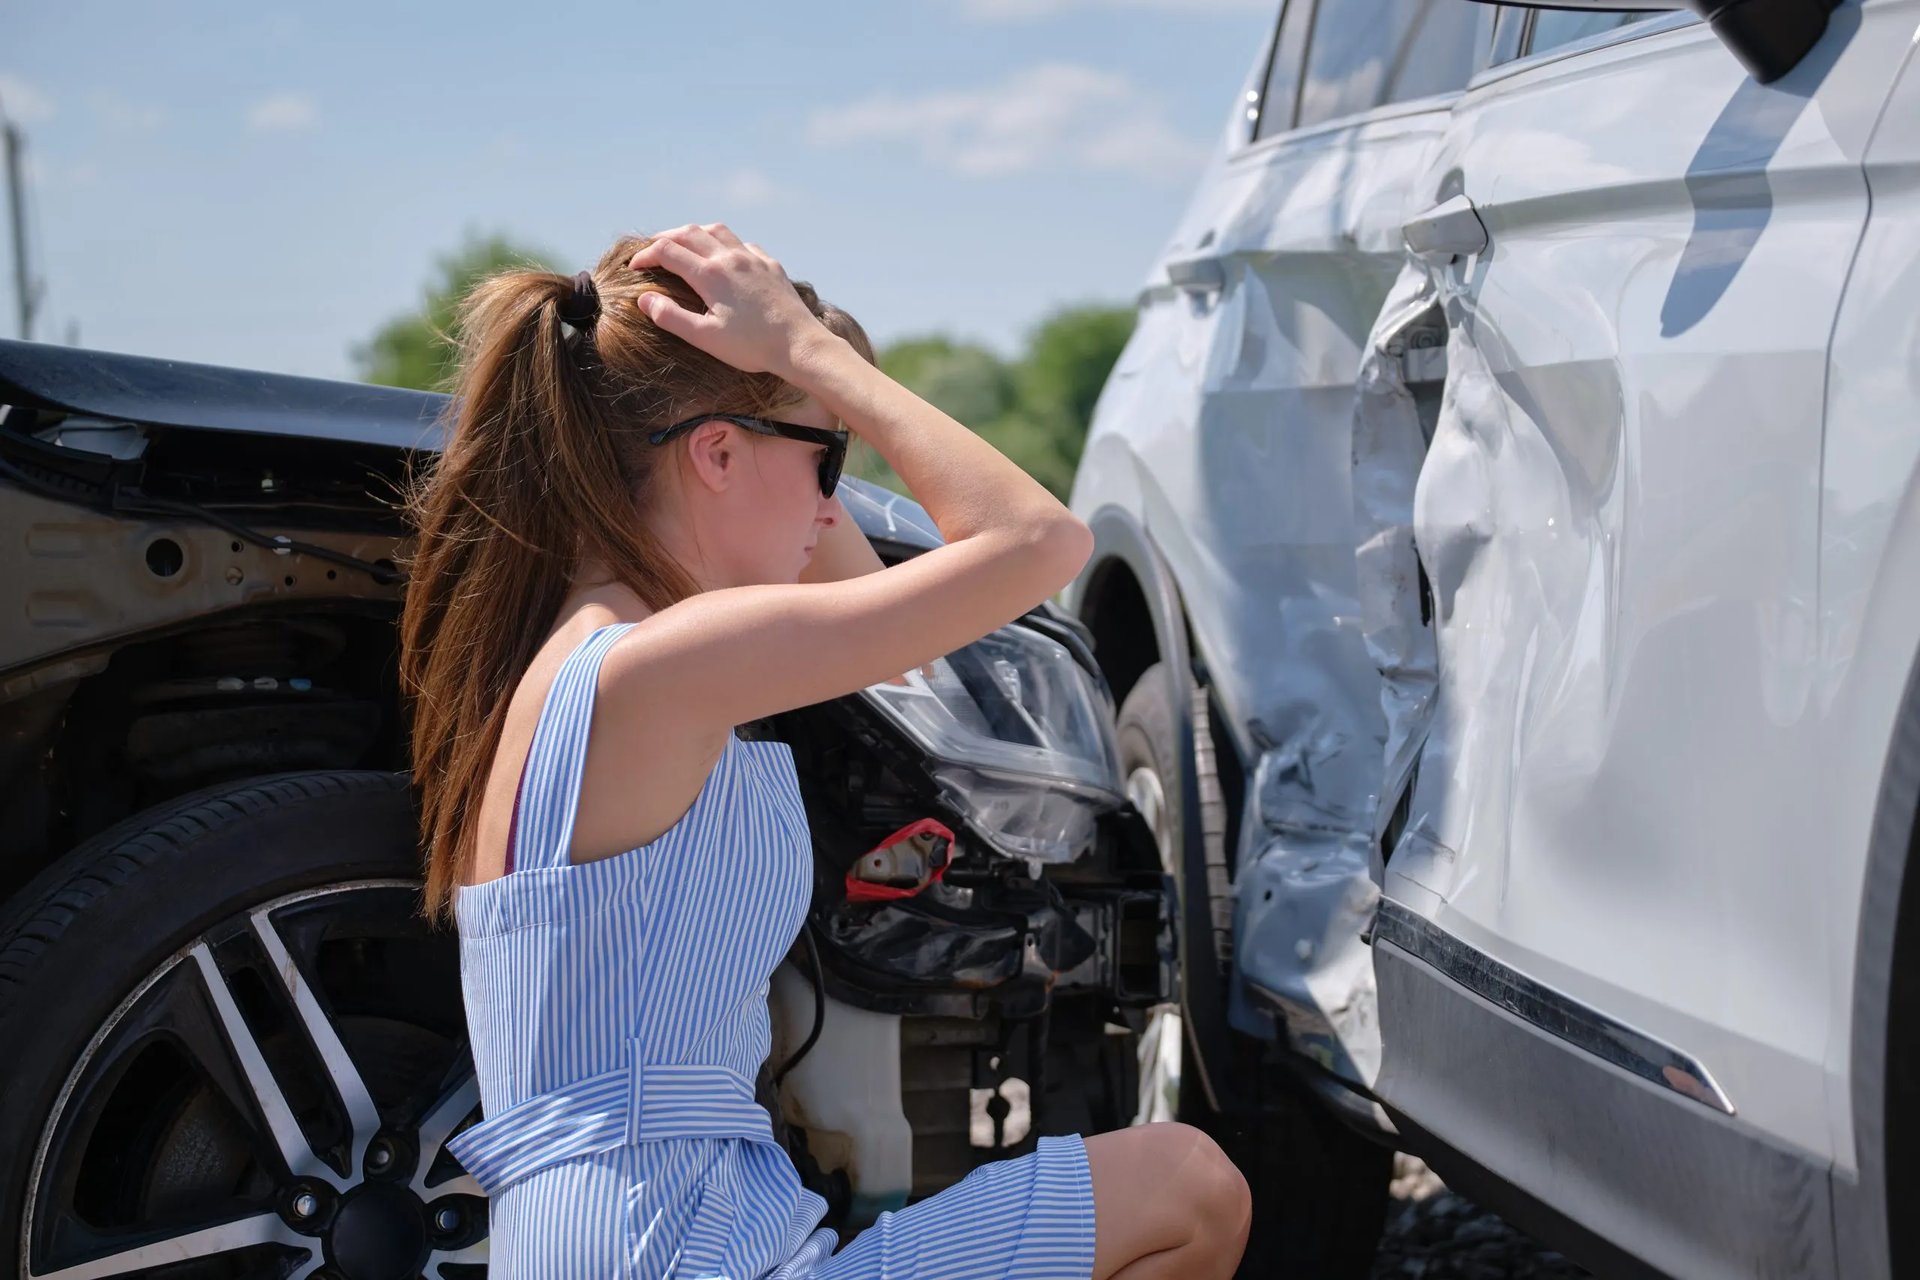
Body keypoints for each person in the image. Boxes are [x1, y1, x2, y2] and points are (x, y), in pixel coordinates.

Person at [399, 222, 1251, 1279]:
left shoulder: (591, 654)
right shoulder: (661, 662)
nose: (829, 502)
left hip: (652, 1240)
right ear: (716, 454)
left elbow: (859, 593)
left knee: (1181, 1185)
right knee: (1189, 1186)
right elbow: (1040, 542)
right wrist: (806, 357)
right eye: (824, 462)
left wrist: (806, 383)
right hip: (669, 1253)